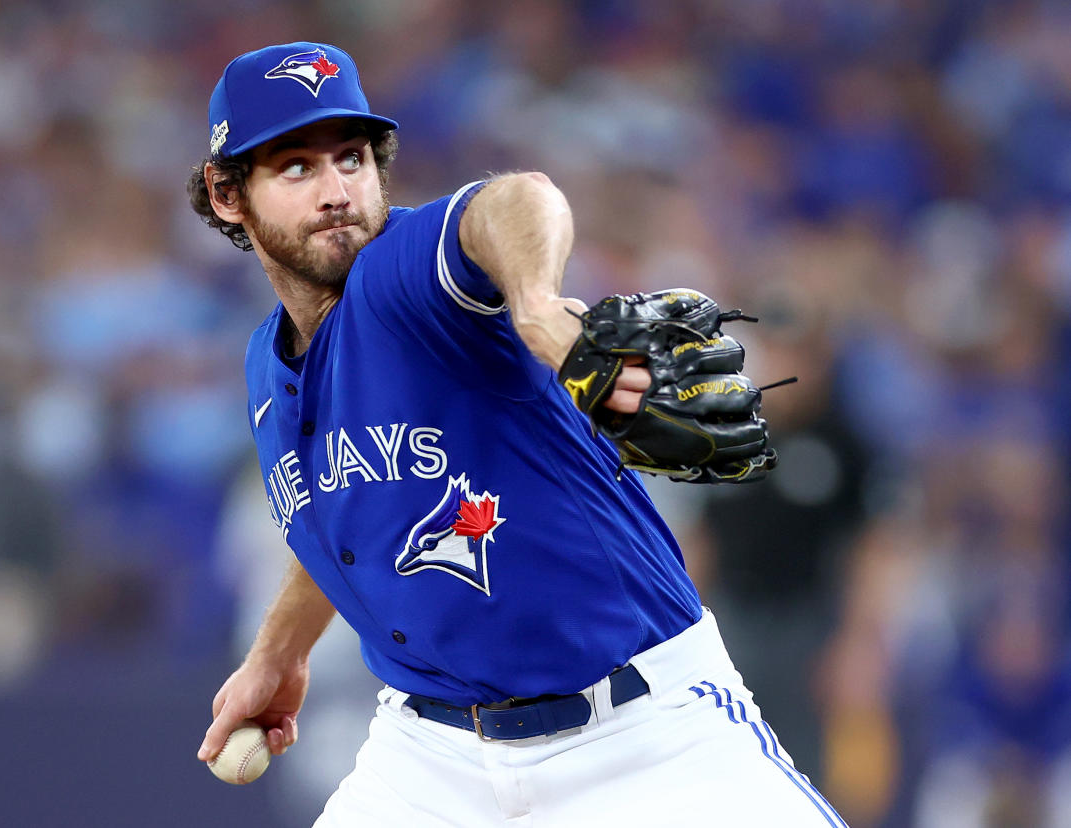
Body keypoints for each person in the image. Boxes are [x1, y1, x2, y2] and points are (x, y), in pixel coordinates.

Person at [187, 42, 846, 826]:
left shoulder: (404, 276)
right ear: (229, 196)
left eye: (353, 159)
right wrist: (279, 652)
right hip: (430, 761)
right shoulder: (270, 363)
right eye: (297, 167)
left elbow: (514, 201)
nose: (337, 191)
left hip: (641, 734)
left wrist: (535, 302)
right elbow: (343, 516)